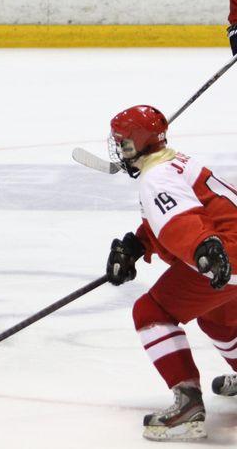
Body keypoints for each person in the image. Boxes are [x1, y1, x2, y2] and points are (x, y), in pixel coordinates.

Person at [104, 105, 237, 441]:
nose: (120, 150)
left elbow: (182, 224)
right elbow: (170, 215)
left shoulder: (156, 176)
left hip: (228, 254)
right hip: (229, 248)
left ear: (138, 142)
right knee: (218, 318)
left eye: (123, 143)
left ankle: (187, 405)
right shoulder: (173, 162)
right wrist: (137, 244)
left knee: (152, 310)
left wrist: (204, 250)